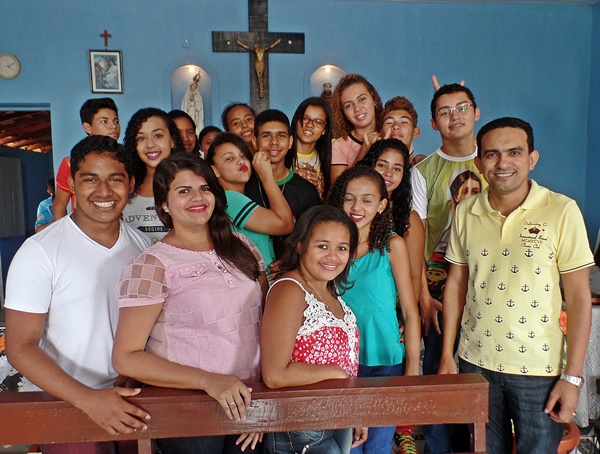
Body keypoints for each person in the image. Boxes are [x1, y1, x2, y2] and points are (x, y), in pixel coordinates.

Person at [439, 117, 594, 453]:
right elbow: (456, 284)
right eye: (492, 154)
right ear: (478, 162)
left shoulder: (561, 211)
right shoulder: (466, 211)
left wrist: (572, 378)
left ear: (532, 159)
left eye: (514, 152)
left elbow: (579, 297)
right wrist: (448, 355)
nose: (502, 163)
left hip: (538, 370)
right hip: (474, 363)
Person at [5, 136, 152, 453]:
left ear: (131, 184)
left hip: (131, 398)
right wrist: (88, 399)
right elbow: (20, 346)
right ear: (71, 184)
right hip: (66, 401)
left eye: (115, 179)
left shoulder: (142, 245)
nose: (104, 191)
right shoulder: (40, 251)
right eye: (90, 179)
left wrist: (137, 373)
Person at [113, 153, 265, 453]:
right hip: (188, 407)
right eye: (183, 191)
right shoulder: (152, 264)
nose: (197, 197)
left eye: (204, 188)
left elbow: (265, 323)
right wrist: (210, 381)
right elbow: (126, 358)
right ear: (164, 204)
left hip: (248, 400)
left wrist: (264, 400)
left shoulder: (242, 246)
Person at [411, 83, 484, 454]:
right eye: (445, 111)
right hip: (439, 290)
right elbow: (418, 237)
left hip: (489, 288)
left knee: (481, 376)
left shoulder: (495, 161)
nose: (455, 116)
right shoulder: (424, 172)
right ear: (433, 122)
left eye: (462, 107)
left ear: (476, 112)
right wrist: (423, 295)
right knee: (438, 371)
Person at [327, 166, 421, 454]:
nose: (357, 207)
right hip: (341, 365)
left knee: (378, 446)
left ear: (381, 205)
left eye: (367, 200)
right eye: (349, 199)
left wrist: (412, 368)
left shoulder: (392, 245)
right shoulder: (331, 248)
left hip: (385, 359)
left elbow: (410, 310)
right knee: (350, 447)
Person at [261, 205, 365, 454]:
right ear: (300, 245)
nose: (333, 256)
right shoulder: (289, 290)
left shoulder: (329, 289)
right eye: (322, 246)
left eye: (342, 248)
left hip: (335, 418)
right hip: (301, 425)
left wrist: (355, 409)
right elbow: (275, 375)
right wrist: (337, 374)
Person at [206, 132, 294, 269]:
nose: (241, 161)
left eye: (243, 156)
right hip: (254, 280)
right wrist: (266, 176)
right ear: (215, 170)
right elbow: (286, 224)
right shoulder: (230, 198)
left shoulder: (237, 197)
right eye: (230, 158)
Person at [246, 109, 320, 258]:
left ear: (290, 142)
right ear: (255, 141)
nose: (274, 142)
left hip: (290, 268)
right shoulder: (243, 184)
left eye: (281, 136)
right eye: (266, 135)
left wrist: (290, 262)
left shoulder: (306, 191)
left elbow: (312, 238)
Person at [122, 107, 184, 243]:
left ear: (173, 140)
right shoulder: (126, 185)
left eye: (158, 136)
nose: (150, 144)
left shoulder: (190, 182)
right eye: (141, 138)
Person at [53, 97, 121, 221]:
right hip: (84, 228)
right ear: (88, 127)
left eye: (116, 121)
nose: (113, 126)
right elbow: (59, 205)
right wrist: (63, 232)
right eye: (104, 121)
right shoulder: (71, 163)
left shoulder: (126, 159)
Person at [330, 74, 382, 183]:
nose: (357, 108)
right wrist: (363, 151)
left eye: (362, 99)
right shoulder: (338, 147)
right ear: (343, 114)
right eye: (348, 105)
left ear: (374, 99)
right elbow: (338, 190)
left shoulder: (391, 132)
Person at [287, 97, 334, 198]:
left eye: (318, 121)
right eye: (305, 118)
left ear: (324, 130)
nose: (309, 125)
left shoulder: (329, 156)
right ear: (296, 121)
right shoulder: (281, 152)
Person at [380, 96, 426, 166]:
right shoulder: (370, 166)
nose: (396, 126)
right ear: (380, 133)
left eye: (404, 122)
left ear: (416, 132)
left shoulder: (422, 167)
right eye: (389, 122)